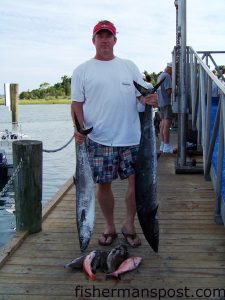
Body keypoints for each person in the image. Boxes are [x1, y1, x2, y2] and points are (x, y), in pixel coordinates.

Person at [71, 20, 157, 247]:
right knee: (104, 185)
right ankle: (109, 226)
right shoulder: (81, 71)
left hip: (131, 137)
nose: (105, 40)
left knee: (136, 183)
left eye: (109, 36)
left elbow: (143, 95)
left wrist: (149, 98)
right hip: (99, 138)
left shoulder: (129, 66)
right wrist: (78, 130)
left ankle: (129, 224)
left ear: (115, 40)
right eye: (100, 36)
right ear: (94, 40)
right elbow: (77, 105)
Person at [157, 63, 174, 153]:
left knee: (162, 124)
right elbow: (168, 91)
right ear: (170, 68)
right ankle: (166, 145)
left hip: (160, 103)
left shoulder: (160, 76)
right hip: (166, 102)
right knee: (167, 124)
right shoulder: (167, 76)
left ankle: (163, 144)